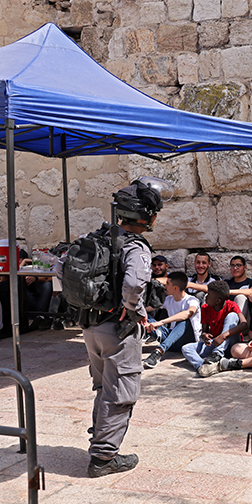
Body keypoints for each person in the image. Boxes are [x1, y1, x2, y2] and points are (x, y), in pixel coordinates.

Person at [64, 176, 171, 477]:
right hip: (118, 329)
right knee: (120, 392)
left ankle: (100, 436)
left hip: (90, 326)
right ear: (147, 215)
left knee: (103, 386)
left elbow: (64, 267)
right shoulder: (135, 246)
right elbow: (136, 283)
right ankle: (103, 458)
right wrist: (134, 311)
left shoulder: (98, 237)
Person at [187, 280, 248, 377]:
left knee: (233, 316)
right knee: (186, 348)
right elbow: (204, 331)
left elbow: (244, 324)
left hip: (231, 342)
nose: (205, 297)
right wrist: (205, 336)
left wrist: (223, 336)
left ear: (218, 301)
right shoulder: (205, 308)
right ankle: (203, 366)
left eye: (209, 295)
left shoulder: (231, 305)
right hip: (215, 342)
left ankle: (217, 354)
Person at [142, 271, 201, 369]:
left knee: (184, 321)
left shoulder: (192, 300)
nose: (165, 286)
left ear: (175, 288)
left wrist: (161, 322)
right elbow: (147, 309)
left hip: (188, 341)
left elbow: (187, 314)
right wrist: (145, 321)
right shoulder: (168, 299)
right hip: (172, 341)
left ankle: (159, 351)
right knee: (143, 315)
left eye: (167, 284)